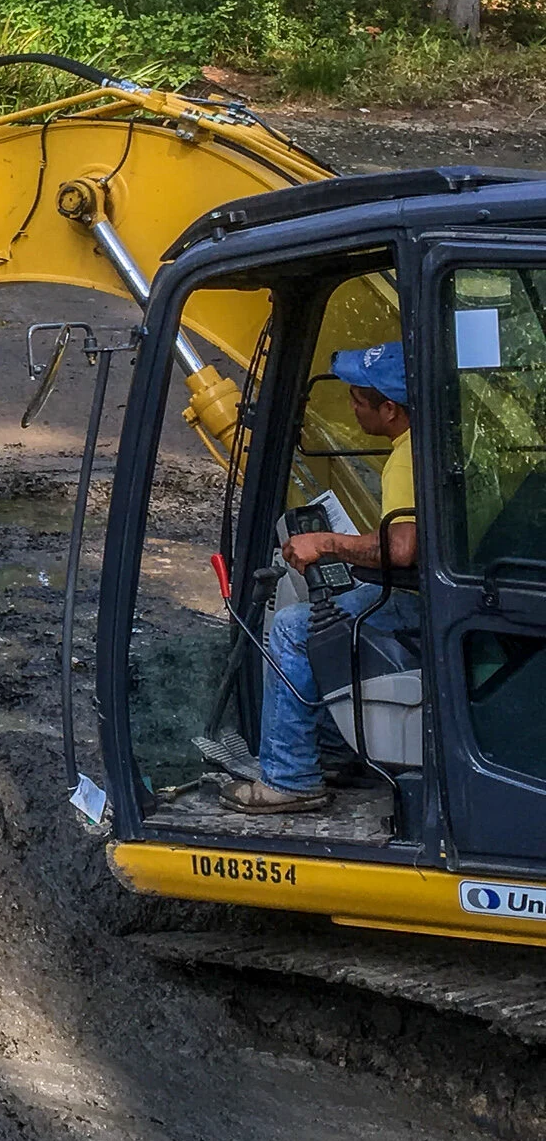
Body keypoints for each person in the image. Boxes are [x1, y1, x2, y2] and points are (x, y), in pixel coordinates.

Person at [222, 342, 419, 815]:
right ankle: (338, 752)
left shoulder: (409, 456)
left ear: (389, 409)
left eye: (357, 397)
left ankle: (290, 779)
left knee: (293, 627)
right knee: (338, 611)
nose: (350, 406)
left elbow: (403, 548)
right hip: (436, 590)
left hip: (423, 600)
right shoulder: (441, 439)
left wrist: (327, 544)